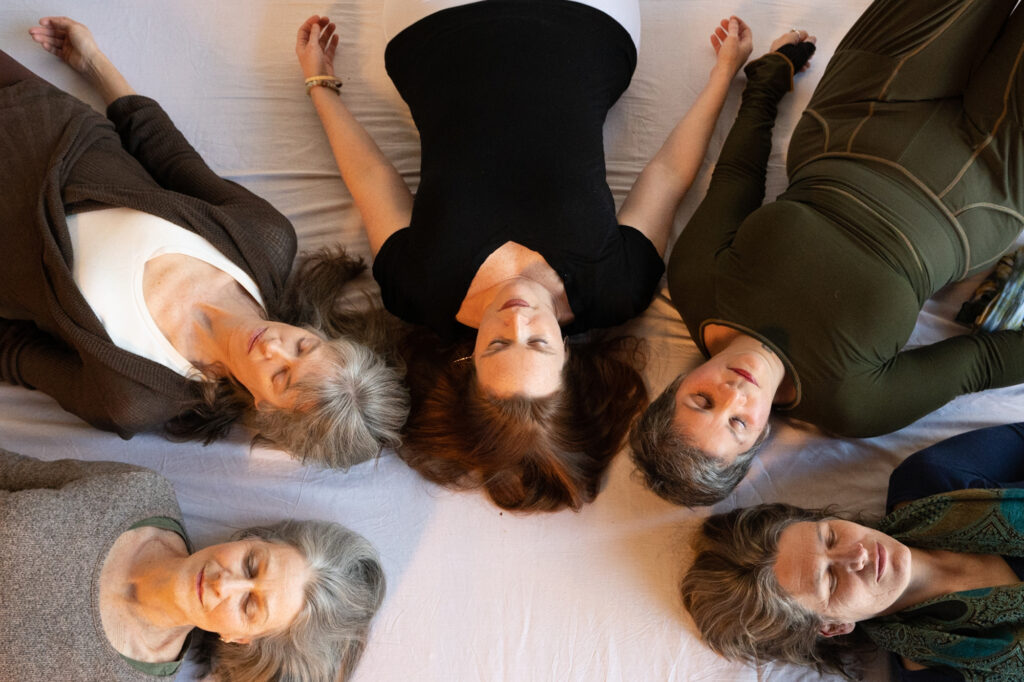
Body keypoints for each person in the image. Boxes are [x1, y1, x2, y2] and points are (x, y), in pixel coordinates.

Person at [297, 1, 756, 510]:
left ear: (469, 363)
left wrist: (320, 87)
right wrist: (723, 76)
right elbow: (668, 175)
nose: (518, 321)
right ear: (569, 360)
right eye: (537, 344)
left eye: (497, 347)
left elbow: (372, 179)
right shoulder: (616, 286)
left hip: (435, 30)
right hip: (586, 24)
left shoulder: (418, 289)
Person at [631, 0, 1024, 506]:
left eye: (701, 400)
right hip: (981, 184)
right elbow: (982, 362)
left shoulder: (695, 283)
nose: (734, 393)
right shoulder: (854, 404)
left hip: (862, 110)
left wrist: (768, 78)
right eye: (736, 423)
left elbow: (738, 177)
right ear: (759, 440)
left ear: (677, 384)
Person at [0, 17, 409, 468]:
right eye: (303, 348)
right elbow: (167, 154)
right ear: (320, 334)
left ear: (267, 409)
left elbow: (14, 353)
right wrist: (92, 61)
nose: (273, 346)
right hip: (43, 122)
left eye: (280, 377)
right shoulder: (264, 239)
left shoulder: (132, 398)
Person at [0, 448, 385, 681]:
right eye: (252, 565)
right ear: (253, 539)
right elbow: (12, 468)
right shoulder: (141, 491)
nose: (225, 584)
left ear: (240, 640)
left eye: (250, 606)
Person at [681, 422, 1024, 681]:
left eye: (829, 538)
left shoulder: (935, 479)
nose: (857, 556)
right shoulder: (937, 673)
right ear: (833, 627)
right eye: (829, 580)